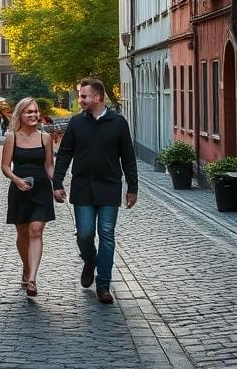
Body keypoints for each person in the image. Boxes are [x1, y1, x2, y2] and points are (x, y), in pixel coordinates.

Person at [52, 78, 137, 305]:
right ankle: (89, 260)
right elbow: (64, 154)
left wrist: (132, 188)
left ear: (97, 97)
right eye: (81, 96)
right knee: (85, 234)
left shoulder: (118, 123)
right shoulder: (76, 123)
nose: (80, 100)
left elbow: (128, 157)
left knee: (107, 235)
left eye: (84, 96)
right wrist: (57, 183)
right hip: (82, 188)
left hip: (109, 187)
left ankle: (103, 285)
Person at [0, 97, 55, 298]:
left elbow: (49, 165)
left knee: (36, 231)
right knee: (23, 233)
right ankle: (26, 267)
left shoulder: (45, 138)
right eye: (28, 112)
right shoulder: (12, 137)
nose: (33, 115)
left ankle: (32, 279)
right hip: (19, 190)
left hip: (41, 190)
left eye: (35, 112)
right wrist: (17, 180)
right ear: (20, 115)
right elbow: (5, 166)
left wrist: (55, 183)